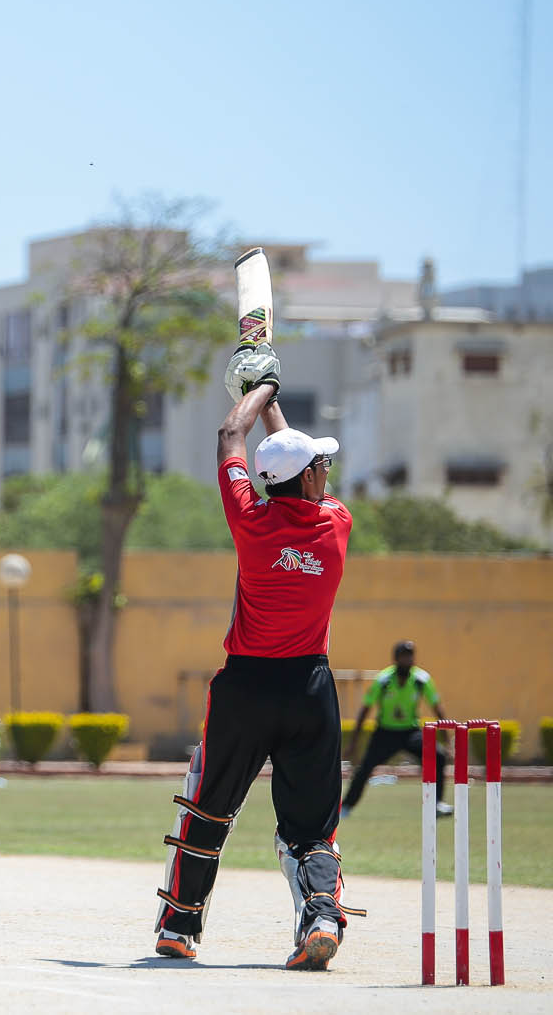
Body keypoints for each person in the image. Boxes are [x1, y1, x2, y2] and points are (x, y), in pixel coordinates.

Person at [154, 348, 362, 971]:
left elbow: (230, 435)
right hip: (309, 688)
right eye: (320, 465)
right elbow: (294, 463)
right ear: (310, 480)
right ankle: (321, 917)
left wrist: (257, 392)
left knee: (209, 806)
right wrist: (269, 386)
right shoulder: (335, 523)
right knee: (310, 827)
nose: (325, 472)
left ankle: (179, 929)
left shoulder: (250, 520)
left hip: (245, 686)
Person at [341, 640, 451, 818]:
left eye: (410, 656)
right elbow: (365, 709)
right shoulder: (383, 680)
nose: (407, 660)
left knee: (438, 757)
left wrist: (446, 738)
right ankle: (346, 806)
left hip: (411, 731)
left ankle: (436, 803)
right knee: (365, 767)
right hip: (385, 732)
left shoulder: (421, 680)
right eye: (403, 656)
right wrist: (354, 742)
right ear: (395, 659)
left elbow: (437, 707)